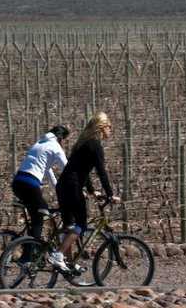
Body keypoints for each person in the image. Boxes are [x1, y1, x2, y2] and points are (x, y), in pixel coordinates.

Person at [49, 112, 120, 272]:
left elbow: (83, 170)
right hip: (72, 186)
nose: (111, 130)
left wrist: (92, 190)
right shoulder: (95, 145)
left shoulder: (82, 143)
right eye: (109, 126)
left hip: (63, 185)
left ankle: (68, 263)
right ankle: (58, 255)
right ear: (101, 127)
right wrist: (110, 195)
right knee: (81, 224)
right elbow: (101, 172)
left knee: (69, 227)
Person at [11, 125, 70, 247]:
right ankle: (29, 254)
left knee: (36, 214)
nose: (64, 143)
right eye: (65, 140)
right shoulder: (56, 147)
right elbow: (68, 170)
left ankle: (26, 243)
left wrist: (57, 188)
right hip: (30, 184)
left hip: (17, 182)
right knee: (39, 216)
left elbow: (47, 170)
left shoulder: (39, 143)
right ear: (61, 138)